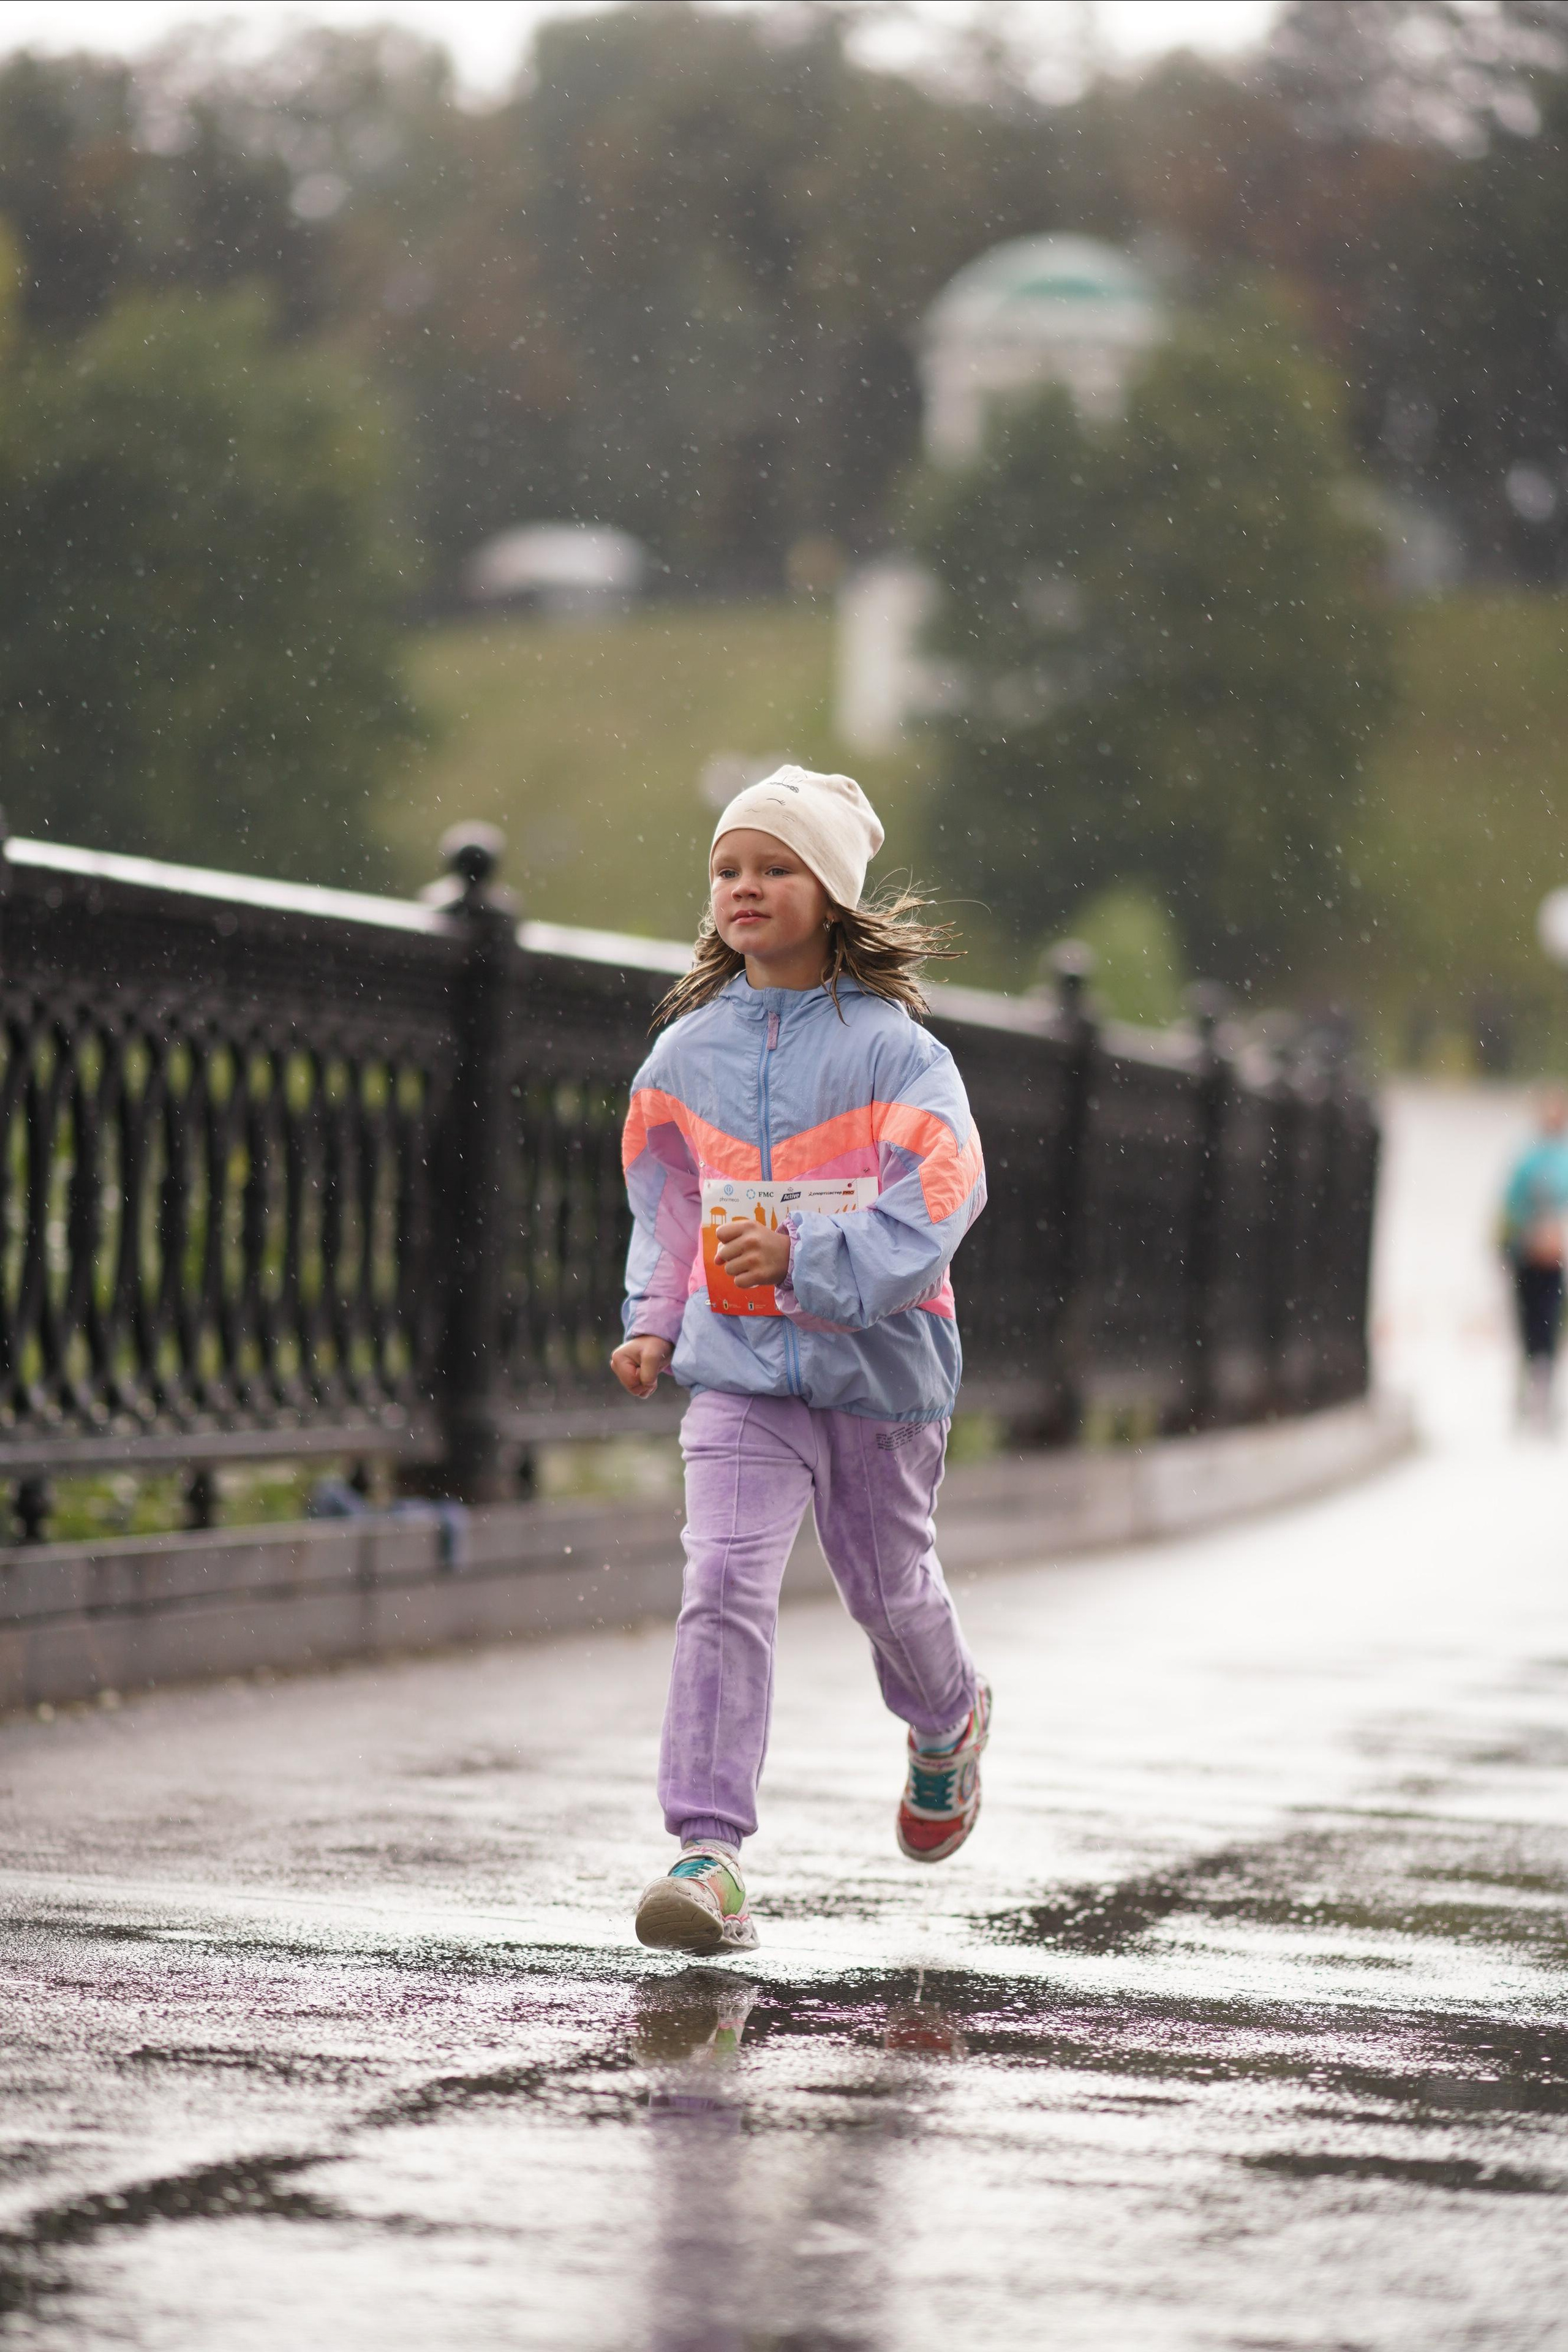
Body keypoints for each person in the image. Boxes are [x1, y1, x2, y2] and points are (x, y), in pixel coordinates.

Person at [610, 765, 990, 1955]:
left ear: (827, 892)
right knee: (721, 1585)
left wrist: (804, 1257)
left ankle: (947, 1723)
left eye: (773, 867)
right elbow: (667, 1207)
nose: (744, 887)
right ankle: (706, 1854)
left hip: (879, 1377)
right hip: (738, 1376)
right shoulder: (682, 1056)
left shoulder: (898, 1057)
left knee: (887, 1592)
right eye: (728, 867)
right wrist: (654, 1320)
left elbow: (939, 1199)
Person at [1499, 1089, 1568, 1428]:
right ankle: (1529, 1385)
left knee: (1548, 1322)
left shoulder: (1563, 1160)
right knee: (1529, 1321)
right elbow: (1510, 1205)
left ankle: (1543, 1388)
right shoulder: (1529, 1161)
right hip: (1527, 1255)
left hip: (1555, 1260)